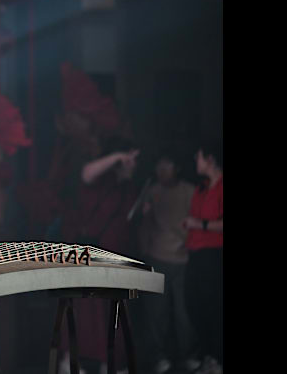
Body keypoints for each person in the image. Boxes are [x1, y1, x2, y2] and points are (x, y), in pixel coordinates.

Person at [59, 136, 140, 374]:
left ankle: (110, 364)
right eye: (130, 158)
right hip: (90, 258)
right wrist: (118, 157)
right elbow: (86, 174)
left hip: (118, 260)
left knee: (112, 313)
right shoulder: (99, 182)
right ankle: (70, 362)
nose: (134, 164)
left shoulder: (129, 188)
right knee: (85, 312)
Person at [138, 148, 199, 374]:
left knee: (185, 314)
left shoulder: (190, 191)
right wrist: (145, 252)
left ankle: (189, 355)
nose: (162, 170)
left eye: (167, 165)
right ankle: (158, 357)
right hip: (157, 258)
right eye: (159, 165)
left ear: (178, 168)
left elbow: (197, 223)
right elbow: (143, 225)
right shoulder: (152, 191)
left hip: (184, 261)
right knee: (156, 314)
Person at [183, 140, 223, 374]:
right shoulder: (202, 187)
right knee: (194, 304)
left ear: (210, 159)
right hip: (195, 254)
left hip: (214, 255)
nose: (195, 161)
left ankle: (216, 358)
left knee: (213, 307)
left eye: (198, 156)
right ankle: (209, 355)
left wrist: (201, 224)